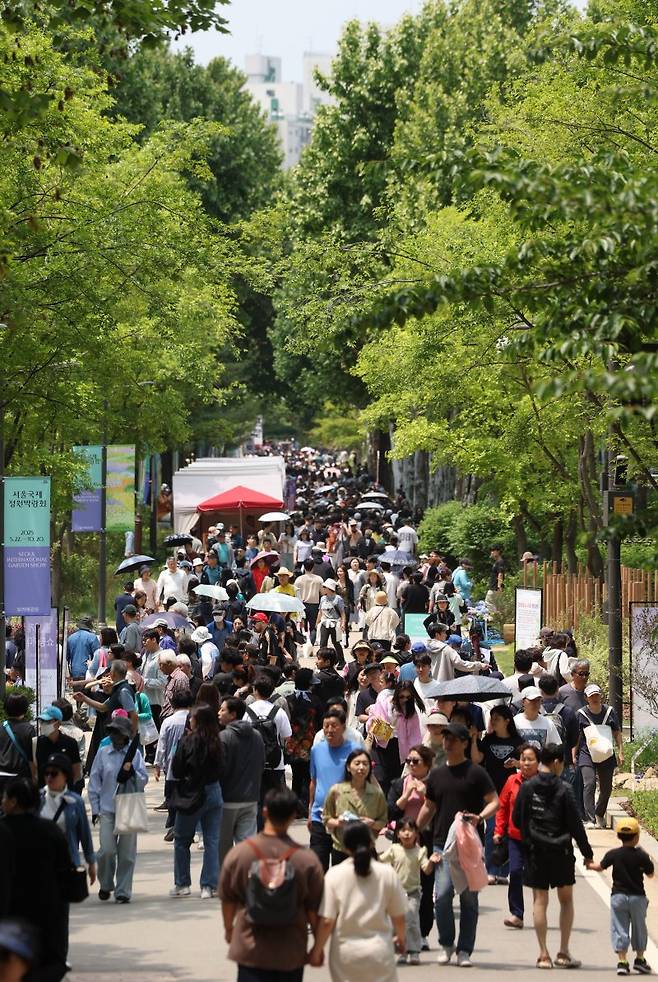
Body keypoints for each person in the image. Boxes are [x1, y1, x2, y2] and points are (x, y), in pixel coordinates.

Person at [219, 786, 325, 982]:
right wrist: (317, 948)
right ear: (294, 816)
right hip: (291, 950)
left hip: (250, 949)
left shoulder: (240, 854)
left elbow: (228, 899)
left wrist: (229, 929)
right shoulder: (307, 860)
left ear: (264, 811)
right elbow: (314, 911)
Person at [417, 722, 499, 967]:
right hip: (442, 845)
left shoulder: (475, 773)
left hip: (469, 847)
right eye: (446, 738)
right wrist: (411, 828)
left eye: (453, 738)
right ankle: (446, 943)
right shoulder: (437, 775)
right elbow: (428, 806)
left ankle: (465, 950)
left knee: (468, 900)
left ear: (464, 743)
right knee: (441, 897)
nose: (448, 742)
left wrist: (480, 817)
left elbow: (494, 801)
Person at [513, 742, 595, 969]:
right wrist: (587, 855)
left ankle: (543, 955)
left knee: (540, 901)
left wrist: (529, 839)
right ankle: (563, 952)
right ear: (557, 762)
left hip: (535, 853)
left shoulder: (528, 787)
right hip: (561, 852)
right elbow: (576, 826)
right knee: (566, 900)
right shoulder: (564, 788)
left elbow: (516, 819)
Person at [308, 820, 408, 981]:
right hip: (379, 953)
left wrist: (317, 950)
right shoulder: (386, 873)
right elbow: (399, 917)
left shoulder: (334, 875)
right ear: (371, 843)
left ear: (345, 847)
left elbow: (327, 921)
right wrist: (402, 940)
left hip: (345, 954)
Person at [1, 776, 72, 982]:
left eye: (5, 797)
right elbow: (65, 873)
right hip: (47, 914)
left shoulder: (3, 831)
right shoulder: (50, 831)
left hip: (10, 916)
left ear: (14, 802)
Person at [88, 715, 148, 903]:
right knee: (106, 851)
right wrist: (95, 808)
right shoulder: (103, 753)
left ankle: (123, 890)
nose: (114, 736)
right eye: (112, 732)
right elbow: (94, 782)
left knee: (127, 854)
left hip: (128, 805)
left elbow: (143, 779)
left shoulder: (135, 754)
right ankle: (106, 884)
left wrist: (131, 773)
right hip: (107, 808)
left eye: (118, 732)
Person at [169, 703, 223, 899]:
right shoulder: (217, 742)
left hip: (190, 793)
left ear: (197, 721)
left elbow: (177, 770)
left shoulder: (186, 742)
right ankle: (208, 885)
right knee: (212, 840)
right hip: (214, 791)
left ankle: (182, 883)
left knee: (182, 840)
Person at [590, 816, 654, 976]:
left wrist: (589, 864)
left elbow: (599, 867)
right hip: (637, 897)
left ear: (618, 836)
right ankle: (640, 959)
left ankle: (622, 961)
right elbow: (651, 873)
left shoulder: (614, 854)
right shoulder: (641, 855)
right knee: (639, 927)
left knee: (619, 927)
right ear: (637, 836)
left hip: (618, 896)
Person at [387, 744, 436, 950]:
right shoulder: (399, 784)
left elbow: (441, 810)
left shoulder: (435, 785)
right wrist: (405, 796)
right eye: (409, 761)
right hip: (401, 843)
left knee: (424, 889)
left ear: (427, 764)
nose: (411, 765)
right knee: (398, 889)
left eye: (416, 761)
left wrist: (427, 794)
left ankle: (423, 934)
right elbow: (390, 812)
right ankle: (399, 932)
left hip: (425, 842)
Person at [471, 704, 522, 885]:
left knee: (508, 831)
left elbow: (528, 763)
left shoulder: (517, 741)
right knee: (491, 830)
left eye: (497, 719)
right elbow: (477, 759)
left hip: (511, 793)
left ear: (507, 721)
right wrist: (474, 740)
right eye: (491, 718)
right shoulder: (488, 740)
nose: (493, 722)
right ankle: (490, 869)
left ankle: (504, 870)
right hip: (490, 793)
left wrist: (517, 762)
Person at [493, 742, 540, 929]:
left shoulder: (544, 782)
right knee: (515, 872)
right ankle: (517, 914)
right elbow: (502, 807)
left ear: (538, 762)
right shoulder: (512, 781)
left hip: (538, 839)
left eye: (530, 759)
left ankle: (539, 911)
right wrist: (498, 831)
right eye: (523, 759)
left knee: (537, 877)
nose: (526, 763)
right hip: (515, 837)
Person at [308, 709, 359, 871]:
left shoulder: (355, 750)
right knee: (317, 867)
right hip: (319, 817)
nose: (329, 730)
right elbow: (314, 781)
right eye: (326, 726)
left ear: (343, 727)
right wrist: (310, 811)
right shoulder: (316, 750)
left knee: (341, 869)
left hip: (345, 819)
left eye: (334, 726)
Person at [381, 818, 436, 965]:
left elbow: (426, 869)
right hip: (395, 893)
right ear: (397, 834)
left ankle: (414, 951)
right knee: (395, 922)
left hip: (413, 893)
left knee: (411, 920)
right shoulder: (394, 850)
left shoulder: (420, 851)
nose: (406, 834)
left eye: (410, 830)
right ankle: (402, 952)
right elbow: (380, 861)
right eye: (403, 830)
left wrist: (431, 861)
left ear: (416, 833)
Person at [218, 696, 266, 865]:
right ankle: (249, 879)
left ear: (233, 714)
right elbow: (261, 764)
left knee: (222, 845)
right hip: (251, 798)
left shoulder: (223, 738)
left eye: (223, 710)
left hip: (227, 800)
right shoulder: (257, 736)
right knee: (247, 842)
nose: (219, 713)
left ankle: (225, 880)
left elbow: (219, 769)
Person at [39, 752, 96, 886]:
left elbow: (84, 834)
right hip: (41, 863)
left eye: (54, 774)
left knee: (62, 904)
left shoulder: (75, 802)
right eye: (46, 773)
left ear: (65, 776)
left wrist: (91, 862)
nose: (49, 777)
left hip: (68, 862)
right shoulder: (37, 799)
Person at [322, 749, 388, 864]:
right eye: (357, 763)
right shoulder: (336, 791)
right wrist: (339, 822)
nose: (361, 767)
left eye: (365, 764)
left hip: (367, 849)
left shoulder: (377, 794)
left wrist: (372, 823)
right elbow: (326, 819)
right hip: (341, 849)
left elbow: (383, 821)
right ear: (348, 767)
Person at [245, 676, 292, 824]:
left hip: (253, 762)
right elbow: (287, 736)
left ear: (255, 690)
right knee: (274, 800)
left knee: (257, 800)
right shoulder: (278, 712)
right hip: (275, 762)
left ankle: (259, 831)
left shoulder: (248, 711)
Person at [576, 683, 623, 828]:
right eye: (591, 696)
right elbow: (577, 737)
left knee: (607, 788)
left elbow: (617, 732)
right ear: (586, 698)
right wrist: (573, 754)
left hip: (606, 753)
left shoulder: (609, 712)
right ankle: (590, 819)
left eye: (597, 695)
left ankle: (599, 812)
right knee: (589, 784)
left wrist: (621, 751)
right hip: (586, 754)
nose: (595, 698)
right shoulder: (581, 714)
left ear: (600, 696)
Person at [154, 689, 194, 841]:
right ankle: (184, 827)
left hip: (172, 767)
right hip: (191, 767)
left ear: (172, 703)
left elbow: (162, 744)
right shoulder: (193, 719)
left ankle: (175, 825)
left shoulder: (168, 721)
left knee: (173, 797)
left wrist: (157, 764)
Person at [33, 704, 83, 789]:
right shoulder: (36, 743)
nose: (43, 724)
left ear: (58, 723)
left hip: (65, 793)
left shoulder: (70, 743)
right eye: (41, 721)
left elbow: (77, 773)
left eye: (47, 722)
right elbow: (33, 772)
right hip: (43, 795)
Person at [0, 693, 35, 794]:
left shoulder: (1, 727)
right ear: (25, 709)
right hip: (20, 779)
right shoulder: (29, 729)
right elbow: (31, 759)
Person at [316, 579, 346, 666]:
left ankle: (341, 661)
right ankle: (322, 661)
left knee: (336, 643)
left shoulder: (338, 599)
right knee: (323, 643)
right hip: (324, 623)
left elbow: (342, 612)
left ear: (329, 588)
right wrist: (317, 622)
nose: (323, 588)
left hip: (335, 623)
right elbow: (320, 611)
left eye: (325, 587)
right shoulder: (322, 599)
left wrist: (343, 623)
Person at [66, 615, 100, 681]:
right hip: (89, 672)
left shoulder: (70, 638)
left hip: (74, 672)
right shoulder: (92, 637)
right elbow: (97, 656)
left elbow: (66, 658)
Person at [159, 650, 191, 720]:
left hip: (173, 719)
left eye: (161, 664)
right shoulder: (171, 678)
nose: (160, 668)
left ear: (169, 663)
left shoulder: (180, 678)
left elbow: (182, 703)